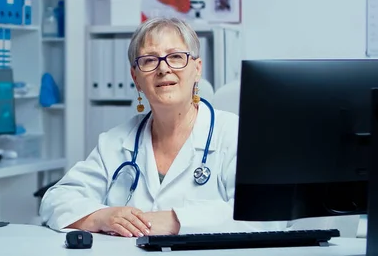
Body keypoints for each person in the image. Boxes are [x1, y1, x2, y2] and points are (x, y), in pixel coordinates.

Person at [38, 17, 282, 237]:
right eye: (149, 60)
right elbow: (55, 200)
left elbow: (267, 217)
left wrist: (176, 221)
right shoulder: (115, 142)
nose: (163, 68)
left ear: (197, 69)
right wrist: (102, 217)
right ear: (136, 79)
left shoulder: (235, 135)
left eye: (176, 56)